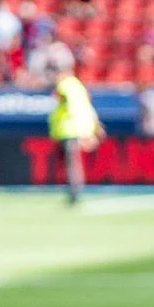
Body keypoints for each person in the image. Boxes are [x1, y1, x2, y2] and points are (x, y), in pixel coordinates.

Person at [49, 71, 101, 206]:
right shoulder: (79, 87)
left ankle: (74, 193)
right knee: (72, 163)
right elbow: (86, 107)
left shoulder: (66, 86)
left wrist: (85, 133)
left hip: (69, 131)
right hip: (73, 130)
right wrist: (92, 128)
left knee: (71, 163)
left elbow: (74, 108)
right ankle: (74, 191)